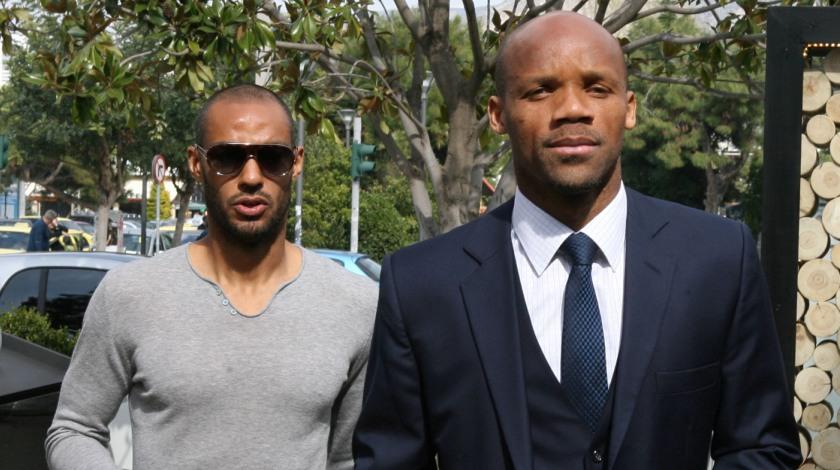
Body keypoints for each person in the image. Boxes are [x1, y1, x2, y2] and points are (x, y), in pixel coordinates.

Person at [353, 12, 799, 470]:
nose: (571, 108)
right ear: (498, 115)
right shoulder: (422, 284)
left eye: (597, 88)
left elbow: (763, 448)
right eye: (540, 90)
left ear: (629, 108)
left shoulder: (717, 260)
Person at [46, 84, 378, 469]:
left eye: (272, 158)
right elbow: (74, 428)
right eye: (227, 158)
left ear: (297, 162)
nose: (251, 177)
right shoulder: (130, 295)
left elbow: (347, 458)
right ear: (196, 162)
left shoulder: (355, 305)